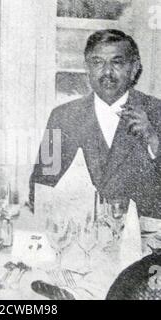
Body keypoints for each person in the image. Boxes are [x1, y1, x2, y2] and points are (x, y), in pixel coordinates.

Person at [29, 29, 161, 218]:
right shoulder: (63, 117)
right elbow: (40, 189)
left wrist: (154, 140)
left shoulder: (156, 112)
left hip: (144, 241)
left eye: (117, 62)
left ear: (133, 69)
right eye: (97, 62)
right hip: (79, 238)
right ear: (87, 69)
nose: (107, 72)